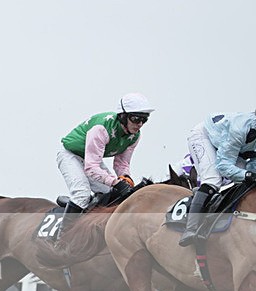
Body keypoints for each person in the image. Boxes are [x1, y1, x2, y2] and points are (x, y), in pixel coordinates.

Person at [53, 92, 155, 240]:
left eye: (144, 120)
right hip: (71, 156)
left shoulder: (134, 136)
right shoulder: (101, 128)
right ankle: (62, 238)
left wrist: (125, 178)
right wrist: (115, 182)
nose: (139, 124)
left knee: (113, 193)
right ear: (123, 116)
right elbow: (91, 167)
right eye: (136, 119)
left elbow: (121, 163)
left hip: (92, 159)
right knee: (82, 193)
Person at [178, 111, 256, 246]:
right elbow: (224, 165)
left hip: (231, 148)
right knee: (212, 179)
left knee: (243, 182)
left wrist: (249, 174)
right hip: (204, 137)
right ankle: (191, 228)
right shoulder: (242, 128)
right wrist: (247, 175)